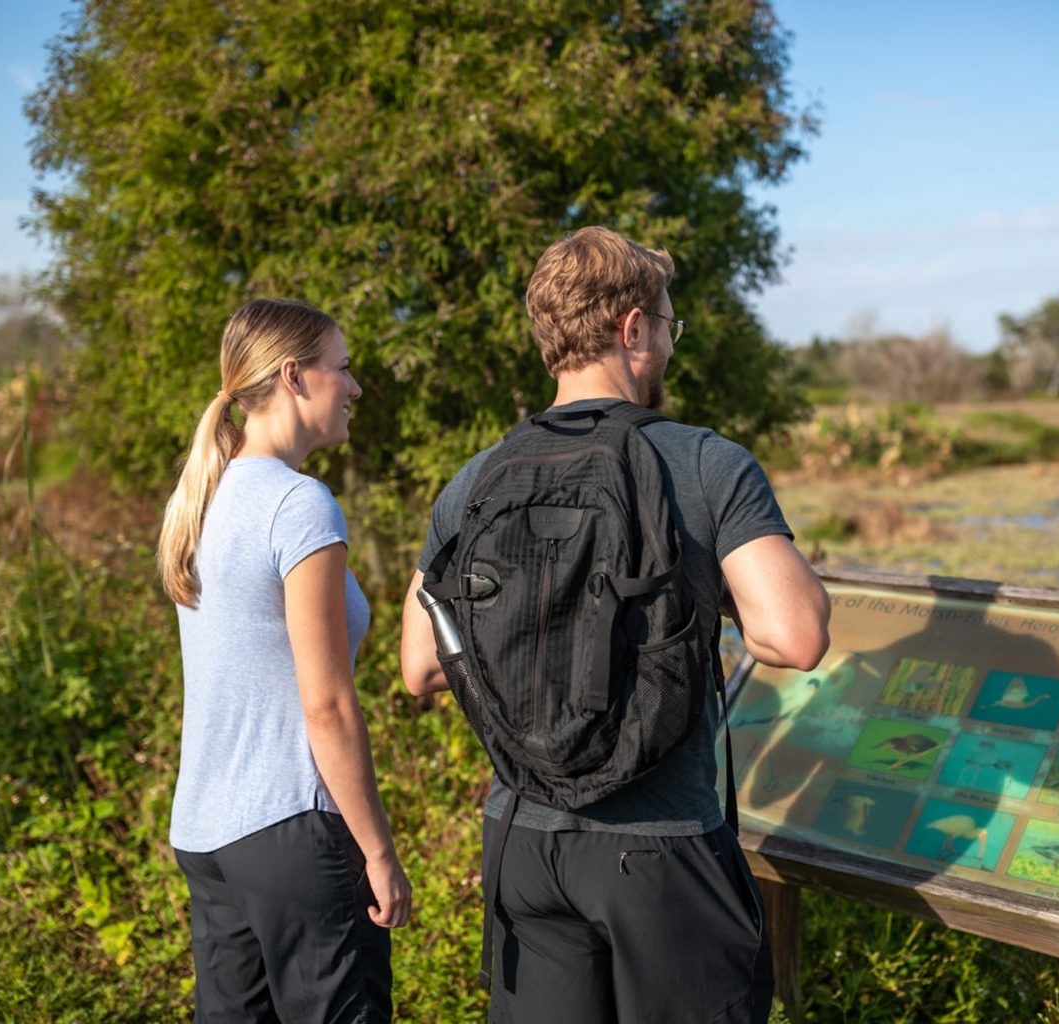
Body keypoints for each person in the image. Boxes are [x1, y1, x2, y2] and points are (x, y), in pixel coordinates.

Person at [400, 227, 831, 1023]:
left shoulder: (477, 478)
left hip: (523, 841)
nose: (668, 342)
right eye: (668, 325)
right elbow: (793, 635)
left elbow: (420, 666)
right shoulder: (704, 462)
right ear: (634, 329)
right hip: (661, 847)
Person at [158, 298, 410, 1023]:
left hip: (208, 835)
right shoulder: (300, 505)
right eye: (344, 368)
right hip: (293, 829)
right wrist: (379, 852)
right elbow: (326, 705)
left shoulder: (207, 496)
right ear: (296, 378)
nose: (356, 387)